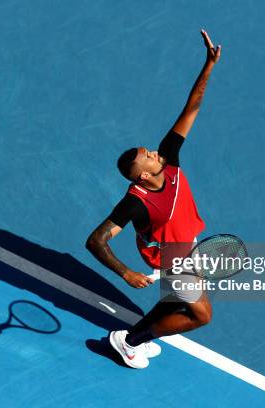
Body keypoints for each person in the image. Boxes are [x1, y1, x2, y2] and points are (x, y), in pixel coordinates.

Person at [85, 29, 221, 369]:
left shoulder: (170, 157)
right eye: (148, 155)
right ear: (144, 174)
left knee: (178, 301)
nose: (154, 151)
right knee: (201, 315)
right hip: (172, 259)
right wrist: (125, 272)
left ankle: (134, 338)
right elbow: (96, 240)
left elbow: (191, 107)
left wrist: (208, 66)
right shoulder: (135, 202)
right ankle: (130, 341)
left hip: (185, 244)